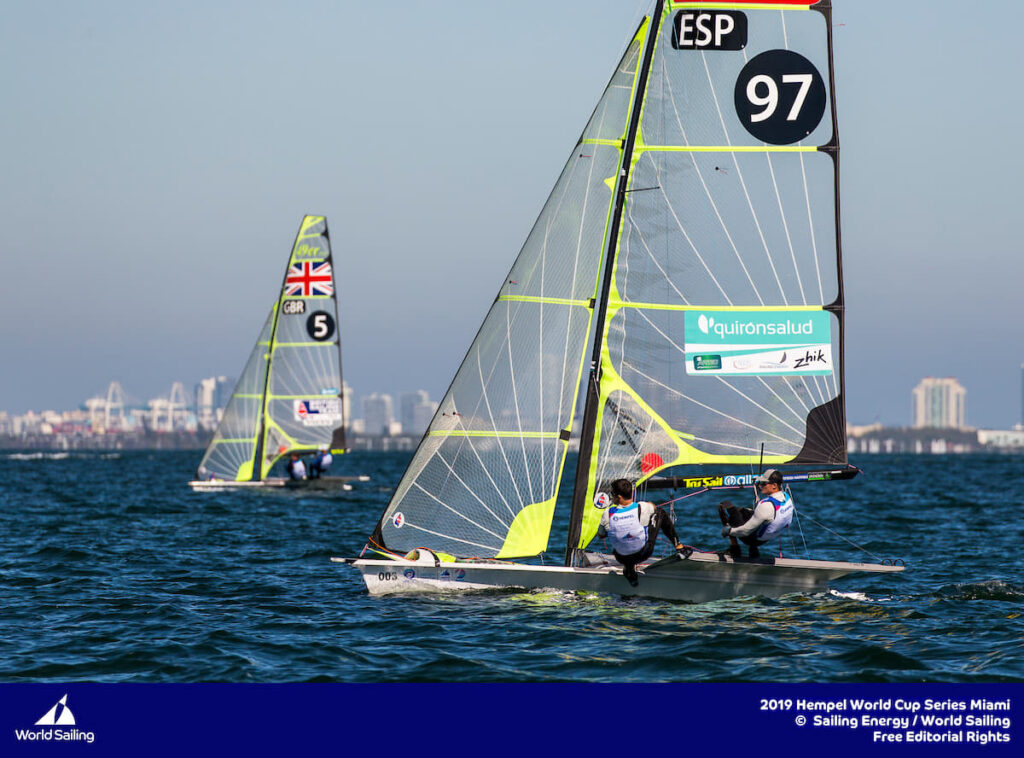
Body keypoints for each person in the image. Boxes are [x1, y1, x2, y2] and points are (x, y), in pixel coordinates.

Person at [596, 478, 686, 587]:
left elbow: (600, 535)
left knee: (620, 540)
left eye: (612, 494)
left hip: (621, 557)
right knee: (660, 512)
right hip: (644, 553)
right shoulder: (642, 507)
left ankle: (629, 569)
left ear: (619, 497)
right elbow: (653, 507)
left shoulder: (607, 514)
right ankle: (680, 548)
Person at [719, 468, 794, 559]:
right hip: (768, 537)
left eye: (763, 484)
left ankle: (735, 549)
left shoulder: (766, 506)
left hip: (753, 539)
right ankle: (753, 551)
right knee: (744, 511)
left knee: (725, 506)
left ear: (774, 485)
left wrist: (729, 531)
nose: (761, 486)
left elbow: (745, 531)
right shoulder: (787, 498)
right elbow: (788, 522)